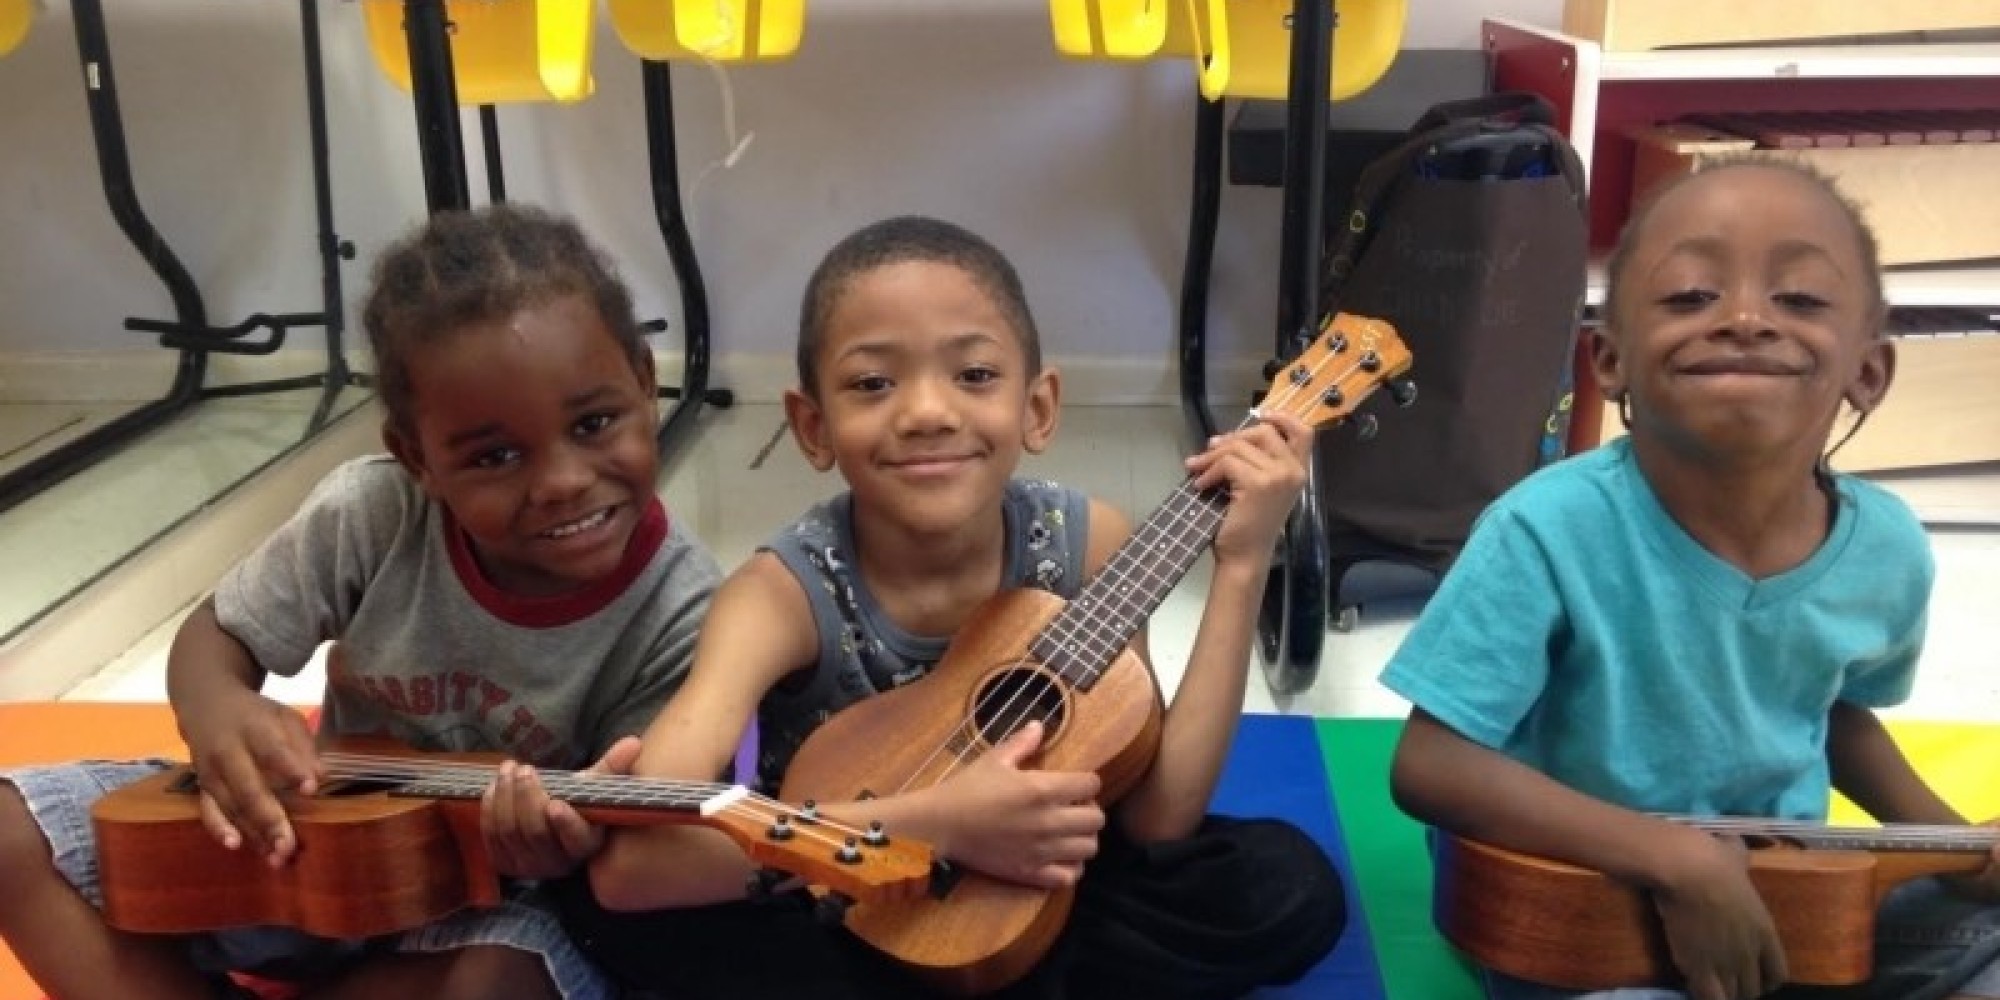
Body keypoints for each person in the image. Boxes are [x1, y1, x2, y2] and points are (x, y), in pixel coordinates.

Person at [562, 215, 1347, 998]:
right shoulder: (778, 596)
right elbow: (640, 863)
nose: (929, 412)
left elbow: (1153, 823)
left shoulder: (1087, 541)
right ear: (812, 425)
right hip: (845, 904)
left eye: (974, 376)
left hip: (1033, 889)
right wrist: (941, 821)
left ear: (1038, 407)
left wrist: (1241, 566)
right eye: (873, 383)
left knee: (1288, 885)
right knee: (636, 917)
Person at [0, 203, 723, 1000]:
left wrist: (561, 844)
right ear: (416, 457)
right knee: (7, 832)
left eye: (594, 422)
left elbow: (627, 827)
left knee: (504, 981)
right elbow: (213, 639)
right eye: (496, 455)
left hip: (474, 908)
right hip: (291, 854)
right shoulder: (372, 513)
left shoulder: (687, 612)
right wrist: (217, 712)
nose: (560, 481)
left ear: (646, 383)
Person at [1382, 158, 2000, 1000]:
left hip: (1786, 896)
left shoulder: (1888, 547)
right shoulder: (1545, 529)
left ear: (1868, 371)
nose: (1745, 318)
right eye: (1689, 297)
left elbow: (1834, 711)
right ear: (1609, 361)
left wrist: (1958, 844)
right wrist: (1669, 860)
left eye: (1802, 300)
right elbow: (1430, 764)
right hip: (1584, 906)